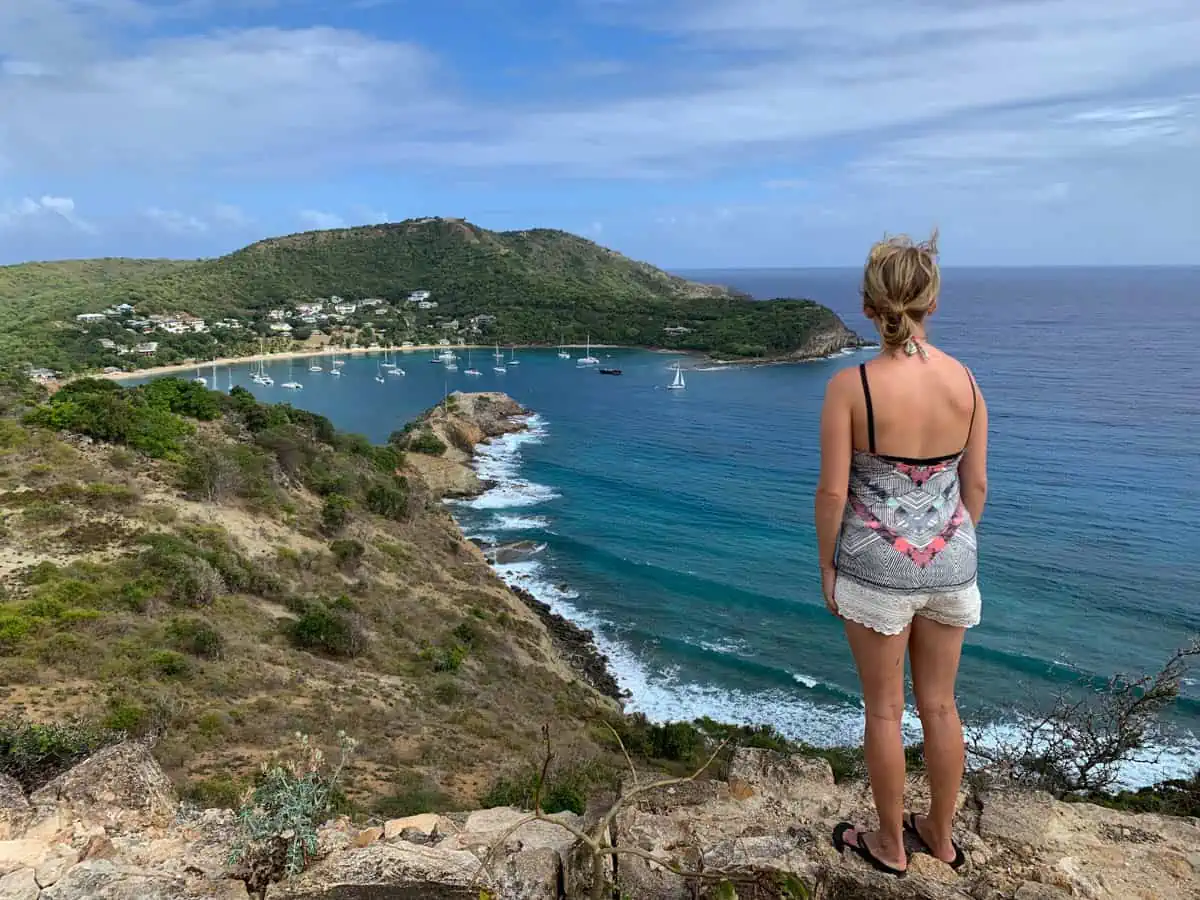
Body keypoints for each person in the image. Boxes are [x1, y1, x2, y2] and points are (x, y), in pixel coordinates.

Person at [814, 232, 988, 877]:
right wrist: (950, 546)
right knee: (941, 706)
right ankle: (940, 837)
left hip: (875, 569)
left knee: (884, 710)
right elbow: (976, 487)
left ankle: (890, 844)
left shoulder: (851, 385)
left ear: (868, 307)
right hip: (953, 564)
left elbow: (833, 490)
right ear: (932, 303)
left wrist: (829, 566)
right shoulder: (965, 382)